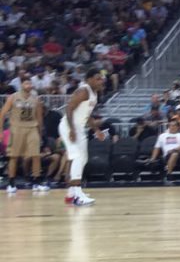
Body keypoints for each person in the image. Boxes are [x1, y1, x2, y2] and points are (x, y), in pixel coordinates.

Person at [58, 70, 106, 206]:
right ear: (89, 79)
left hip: (79, 127)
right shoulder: (83, 91)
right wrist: (72, 130)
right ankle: (78, 195)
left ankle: (71, 193)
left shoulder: (94, 94)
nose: (101, 81)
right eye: (98, 78)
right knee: (78, 157)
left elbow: (87, 115)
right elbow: (68, 109)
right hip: (68, 126)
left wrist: (96, 130)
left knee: (83, 158)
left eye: (101, 79)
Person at [0, 78, 47, 193]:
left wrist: (40, 133)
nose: (29, 85)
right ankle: (11, 184)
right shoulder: (13, 97)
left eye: (30, 83)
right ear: (21, 85)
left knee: (36, 155)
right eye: (26, 83)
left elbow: (39, 118)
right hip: (16, 128)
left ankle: (36, 182)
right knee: (14, 156)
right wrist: (1, 131)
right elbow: (2, 113)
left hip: (32, 128)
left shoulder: (36, 100)